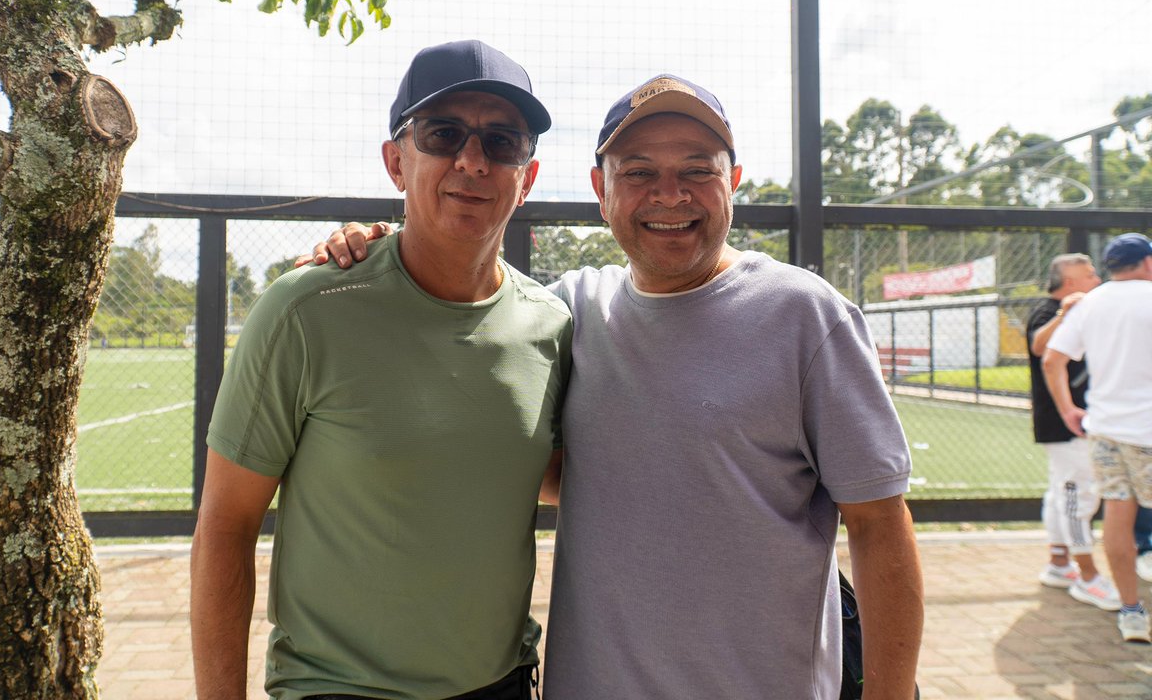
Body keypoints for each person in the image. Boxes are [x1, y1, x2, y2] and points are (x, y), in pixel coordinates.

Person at [312, 75, 925, 698]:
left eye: (697, 170)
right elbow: (529, 447)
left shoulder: (805, 316)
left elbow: (879, 525)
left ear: (733, 182)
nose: (670, 194)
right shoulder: (567, 313)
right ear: (600, 191)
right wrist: (381, 249)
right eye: (638, 173)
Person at [190, 40, 573, 700]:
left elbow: (548, 475)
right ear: (397, 161)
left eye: (502, 141)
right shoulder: (306, 310)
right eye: (443, 134)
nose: (473, 160)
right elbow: (226, 527)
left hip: (502, 685)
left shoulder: (552, 325)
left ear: (528, 176)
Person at [1043, 231, 1152, 644]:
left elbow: (1052, 360)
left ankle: (1131, 611)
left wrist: (1068, 409)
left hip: (1105, 431)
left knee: (1117, 518)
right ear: (1147, 263)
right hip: (1147, 431)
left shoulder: (1091, 303)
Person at [1024, 254, 1119, 609]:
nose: (1097, 279)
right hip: (1067, 424)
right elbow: (1039, 346)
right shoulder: (1049, 311)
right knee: (1078, 496)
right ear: (1070, 282)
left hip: (1068, 423)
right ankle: (1088, 576)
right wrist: (1065, 313)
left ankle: (1059, 563)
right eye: (1089, 274)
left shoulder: (1081, 311)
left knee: (1061, 493)